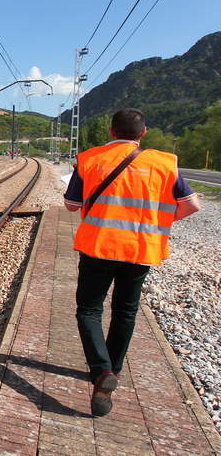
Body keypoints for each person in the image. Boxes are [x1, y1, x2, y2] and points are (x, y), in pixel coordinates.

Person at [63, 108, 200, 416]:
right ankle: (112, 371)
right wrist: (159, 220)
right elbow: (192, 205)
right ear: (144, 133)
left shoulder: (90, 159)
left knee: (89, 310)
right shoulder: (164, 163)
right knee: (125, 311)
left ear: (111, 132)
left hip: (98, 248)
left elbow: (71, 206)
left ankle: (102, 371)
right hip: (140, 249)